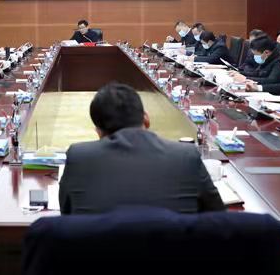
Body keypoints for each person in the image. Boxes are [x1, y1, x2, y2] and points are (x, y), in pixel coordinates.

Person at [59, 82, 224, 214]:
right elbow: (218, 217)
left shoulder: (78, 157)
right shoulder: (186, 155)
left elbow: (67, 215)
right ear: (146, 119)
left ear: (98, 133)